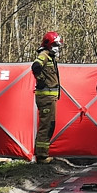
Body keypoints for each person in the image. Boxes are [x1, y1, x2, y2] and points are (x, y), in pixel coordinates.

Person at [31, 31, 63, 164]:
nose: (57, 47)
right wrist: (41, 80)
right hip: (46, 97)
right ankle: (42, 156)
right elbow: (36, 66)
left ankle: (44, 153)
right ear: (48, 44)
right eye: (55, 44)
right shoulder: (44, 55)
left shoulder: (50, 57)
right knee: (46, 125)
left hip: (50, 97)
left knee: (50, 124)